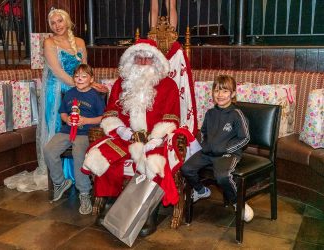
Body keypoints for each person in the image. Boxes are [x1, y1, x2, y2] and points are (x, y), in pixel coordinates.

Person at [81, 39, 181, 236]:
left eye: (148, 58)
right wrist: (120, 130)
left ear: (156, 61)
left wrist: (156, 138)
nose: (143, 62)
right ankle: (111, 202)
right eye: (138, 58)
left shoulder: (168, 85)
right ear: (131, 60)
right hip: (126, 136)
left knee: (153, 161)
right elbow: (110, 113)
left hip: (155, 138)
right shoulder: (121, 83)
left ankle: (149, 212)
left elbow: (172, 117)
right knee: (102, 154)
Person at [4, 8, 106, 192]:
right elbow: (58, 72)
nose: (57, 25)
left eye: (60, 21)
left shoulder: (80, 42)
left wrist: (93, 84)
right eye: (53, 23)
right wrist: (80, 87)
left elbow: (84, 69)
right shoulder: (49, 43)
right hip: (57, 90)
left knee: (79, 130)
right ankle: (57, 177)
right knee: (58, 127)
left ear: (67, 22)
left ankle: (79, 173)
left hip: (78, 89)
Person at [180, 75, 254, 222]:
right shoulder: (210, 113)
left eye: (225, 91)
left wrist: (226, 148)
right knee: (186, 168)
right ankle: (201, 191)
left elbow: (245, 138)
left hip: (228, 154)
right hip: (208, 152)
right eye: (217, 91)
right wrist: (205, 144)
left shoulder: (236, 114)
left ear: (232, 94)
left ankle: (237, 202)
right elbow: (204, 132)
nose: (220, 95)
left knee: (222, 177)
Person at [43, 64, 105, 214]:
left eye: (84, 76)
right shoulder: (70, 93)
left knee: (79, 154)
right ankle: (60, 182)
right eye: (77, 76)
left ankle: (84, 192)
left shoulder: (95, 96)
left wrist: (86, 121)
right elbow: (63, 112)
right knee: (49, 150)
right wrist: (67, 119)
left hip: (85, 133)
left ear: (91, 80)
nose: (80, 79)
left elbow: (103, 117)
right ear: (73, 79)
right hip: (67, 130)